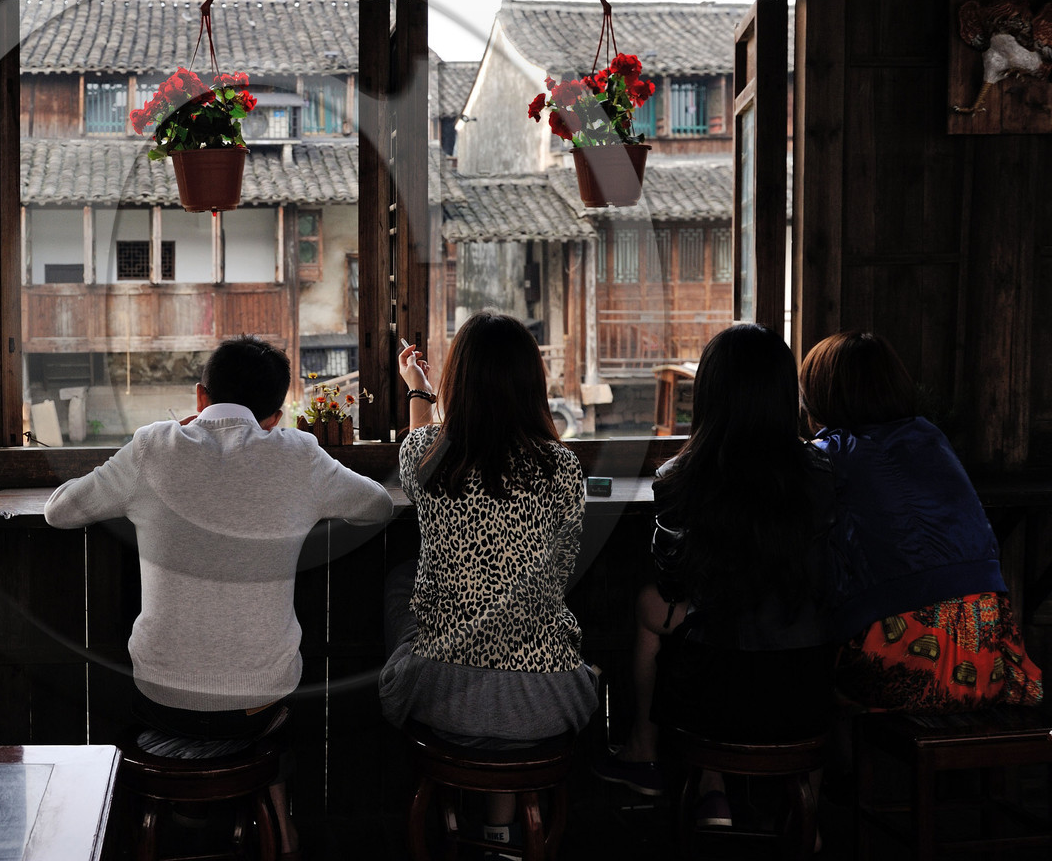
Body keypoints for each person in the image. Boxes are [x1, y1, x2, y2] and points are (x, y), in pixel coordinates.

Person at [44, 335, 396, 855]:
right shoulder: (298, 455)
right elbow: (379, 506)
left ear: (199, 397)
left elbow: (59, 511)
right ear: (276, 414)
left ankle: (191, 819)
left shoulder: (151, 447)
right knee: (269, 711)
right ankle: (281, 831)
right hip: (259, 702)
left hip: (163, 697)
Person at [593, 324, 838, 829]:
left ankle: (691, 777)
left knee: (651, 605)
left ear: (707, 393)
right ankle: (806, 816)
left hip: (712, 701)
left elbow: (672, 580)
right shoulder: (824, 473)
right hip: (808, 696)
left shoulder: (680, 478)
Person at [378, 311, 598, 850]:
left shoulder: (429, 460)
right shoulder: (563, 470)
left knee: (400, 586)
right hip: (548, 698)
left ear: (460, 383)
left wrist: (419, 392)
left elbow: (422, 447)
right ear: (532, 384)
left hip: (443, 695)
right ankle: (501, 822)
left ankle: (457, 813)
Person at [801, 330, 1042, 710]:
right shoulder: (930, 437)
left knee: (803, 668)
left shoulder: (827, 455)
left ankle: (840, 769)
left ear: (822, 395)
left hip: (906, 661)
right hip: (993, 655)